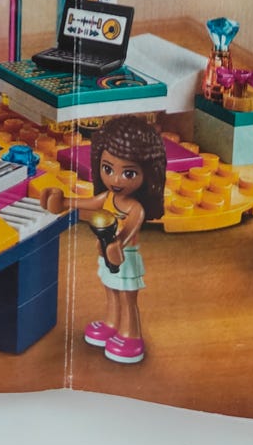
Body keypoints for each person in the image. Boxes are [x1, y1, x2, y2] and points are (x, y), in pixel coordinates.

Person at [39, 116, 167, 364]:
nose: (116, 179)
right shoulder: (107, 197)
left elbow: (130, 228)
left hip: (125, 257)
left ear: (147, 173)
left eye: (128, 173)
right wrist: (63, 202)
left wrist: (118, 243)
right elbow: (87, 203)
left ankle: (131, 335)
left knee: (127, 296)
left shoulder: (134, 207)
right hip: (106, 253)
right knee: (110, 289)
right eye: (108, 169)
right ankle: (111, 324)